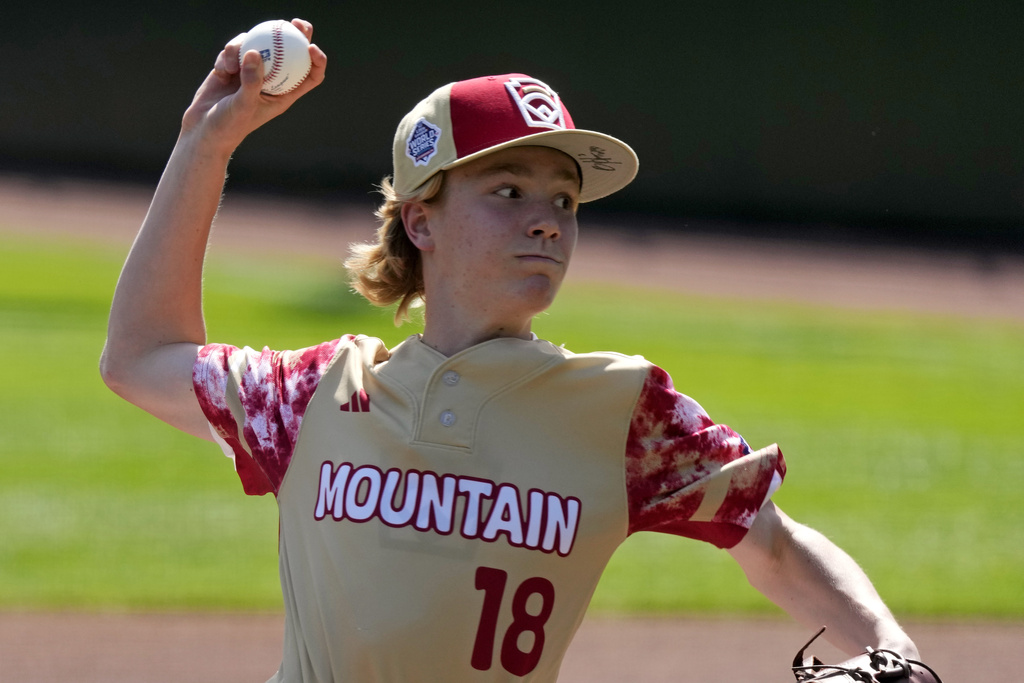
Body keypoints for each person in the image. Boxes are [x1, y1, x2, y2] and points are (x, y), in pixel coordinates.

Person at [101, 18, 920, 682]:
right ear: (421, 220)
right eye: (508, 190)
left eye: (563, 198)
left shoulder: (621, 413)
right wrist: (204, 145)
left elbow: (770, 539)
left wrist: (895, 649)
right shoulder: (316, 393)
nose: (547, 219)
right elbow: (139, 358)